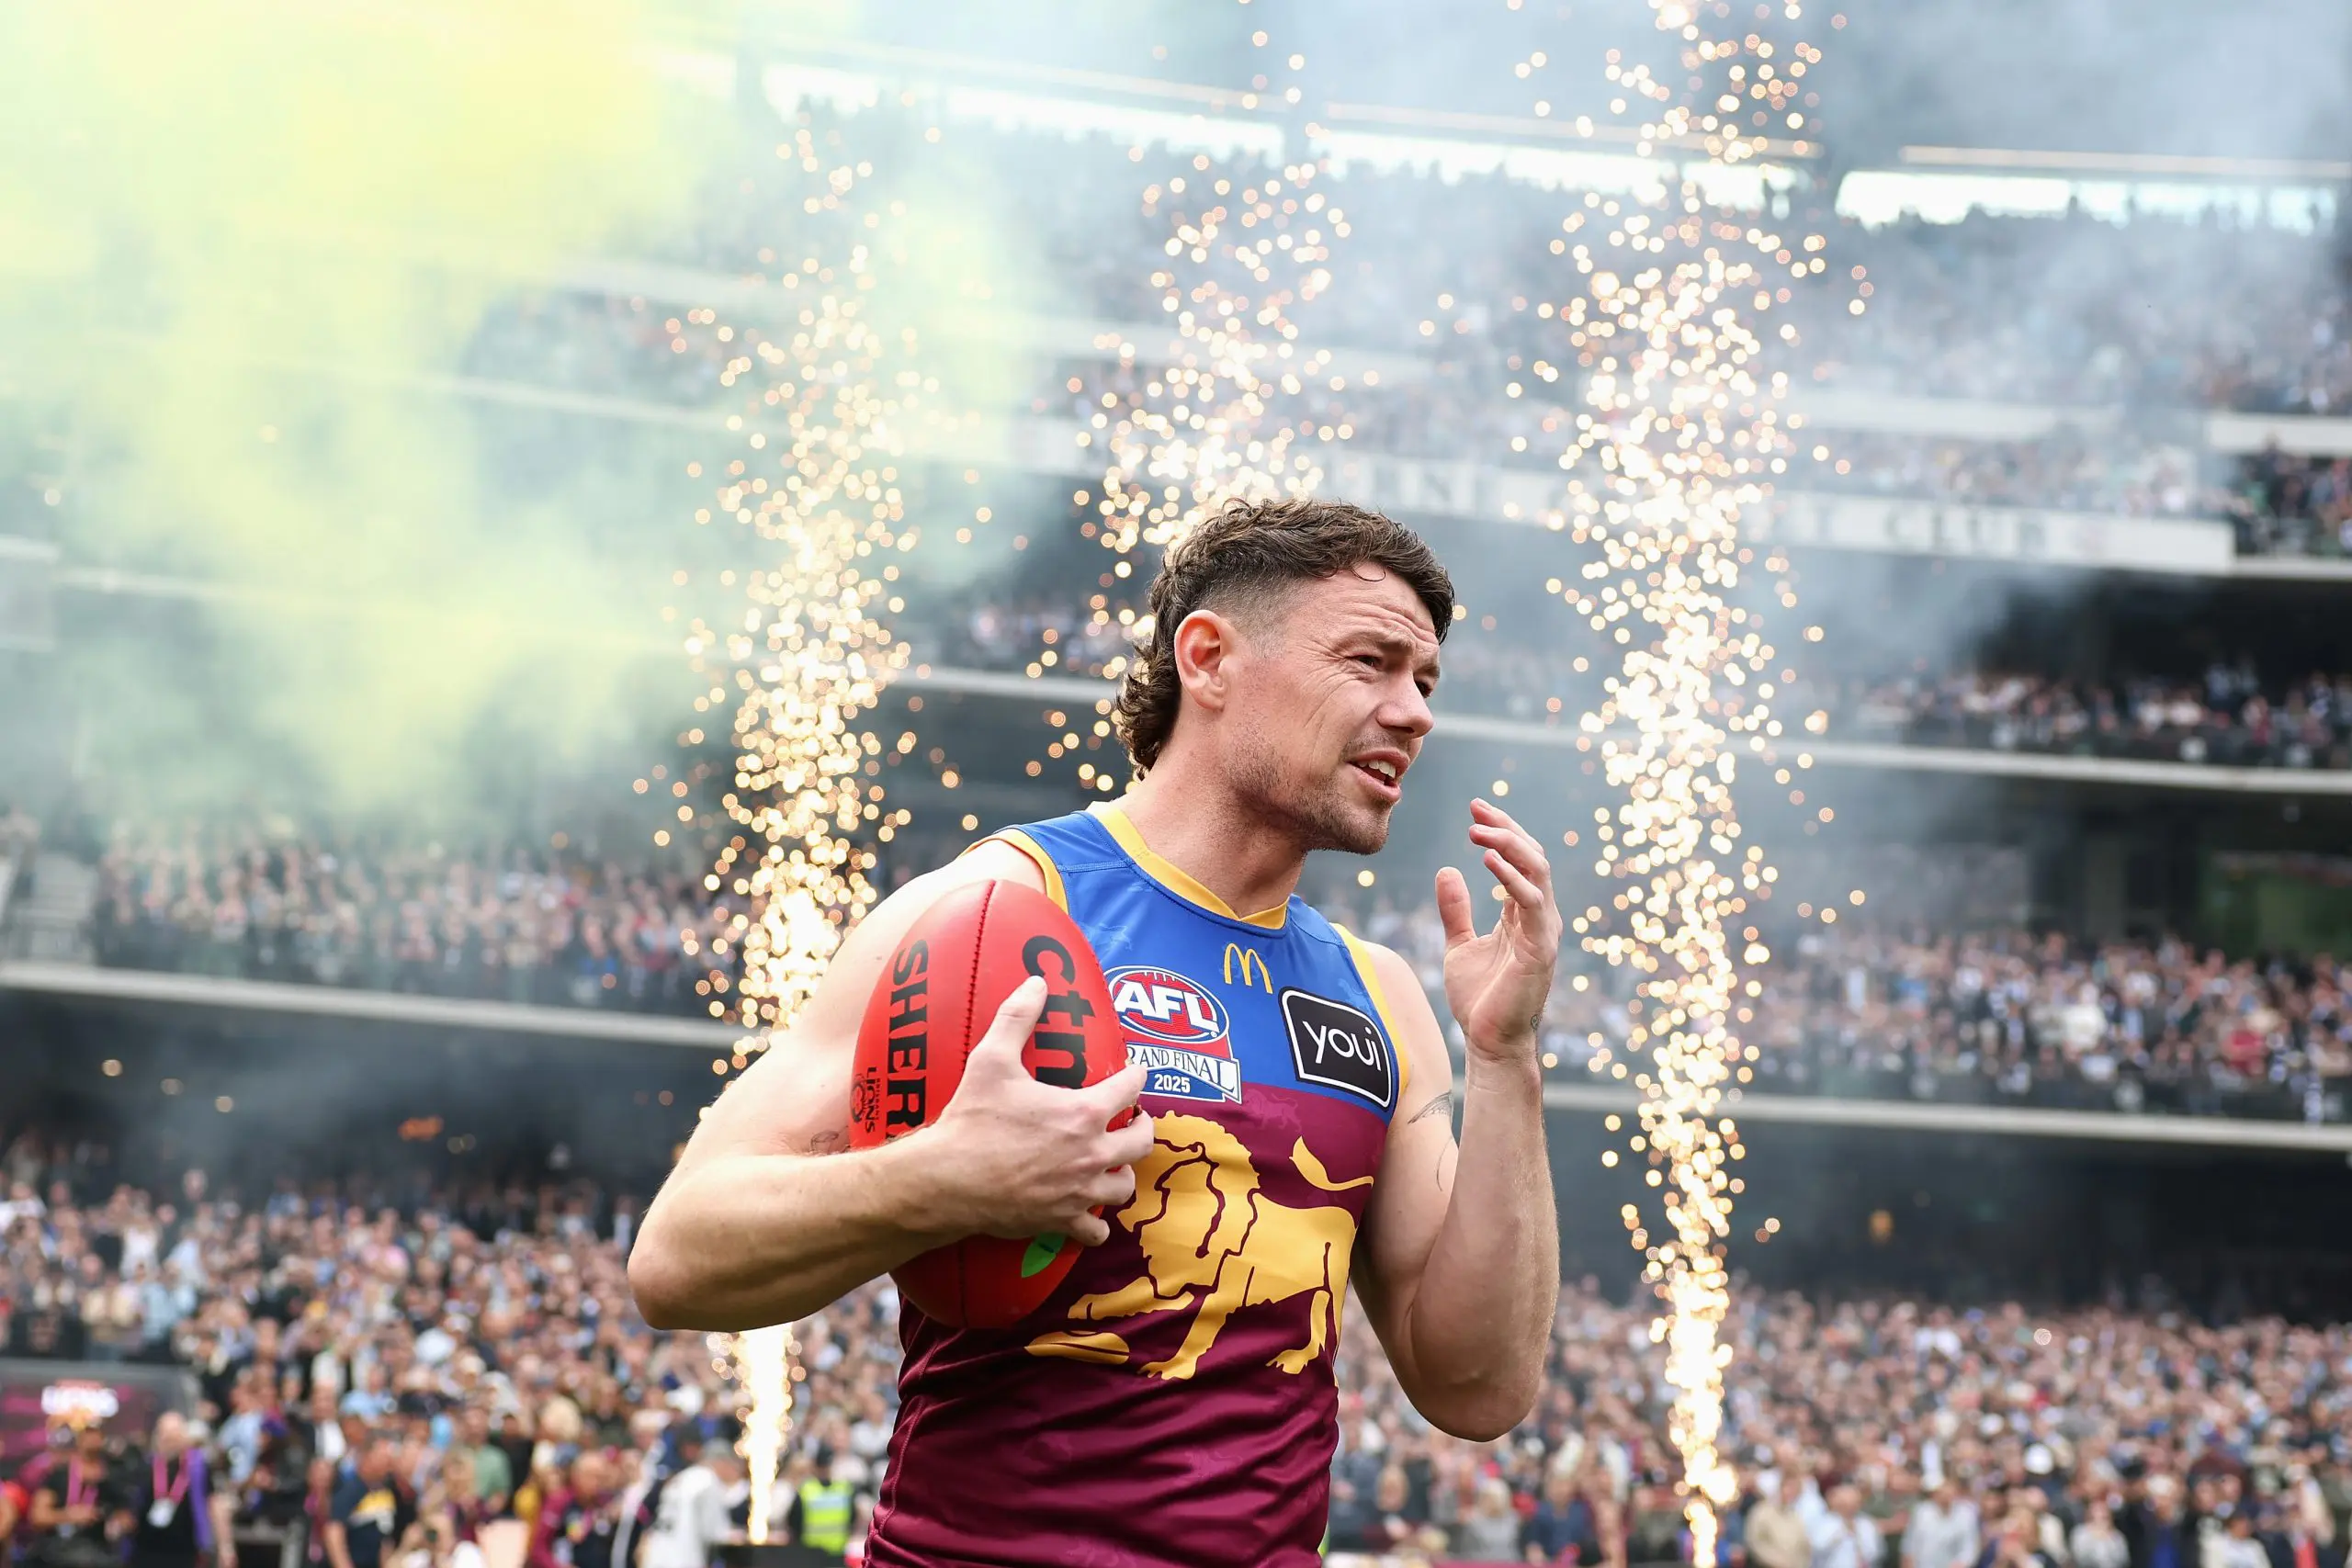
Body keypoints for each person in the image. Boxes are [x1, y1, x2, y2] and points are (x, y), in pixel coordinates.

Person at [631, 495, 1564, 1566]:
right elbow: (678, 1255)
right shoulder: (997, 908)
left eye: (1427, 682)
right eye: (1371, 662)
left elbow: (1478, 1387)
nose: (1415, 713)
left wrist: (1504, 1059)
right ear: (1207, 660)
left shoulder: (1380, 995)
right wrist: (939, 1178)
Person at [636, 1423, 737, 1568]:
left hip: (656, 1556)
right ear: (721, 1462)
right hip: (683, 1559)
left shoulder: (682, 1478)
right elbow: (716, 1533)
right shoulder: (708, 1480)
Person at [127, 1414, 213, 1568]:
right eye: (166, 1436)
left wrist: (220, 1546)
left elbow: (212, 1504)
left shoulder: (197, 1468)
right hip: (146, 1550)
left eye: (175, 1436)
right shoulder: (145, 1467)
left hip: (185, 1551)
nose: (170, 1442)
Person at [325, 1438, 413, 1568]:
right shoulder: (351, 1489)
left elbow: (385, 1537)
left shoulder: (388, 1491)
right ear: (367, 1457)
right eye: (383, 1459)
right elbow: (334, 1532)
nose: (388, 1464)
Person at [1906, 1478, 1983, 1568]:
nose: (1945, 1496)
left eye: (1949, 1493)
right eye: (1941, 1492)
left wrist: (1961, 1563)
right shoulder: (1922, 1512)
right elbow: (1910, 1546)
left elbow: (1970, 1547)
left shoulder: (1966, 1515)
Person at [1811, 1484, 1885, 1568]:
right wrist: (1842, 1530)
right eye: (1845, 1504)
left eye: (1855, 1503)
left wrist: (1857, 1536)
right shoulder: (1825, 1522)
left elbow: (1875, 1552)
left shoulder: (1866, 1523)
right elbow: (1819, 1547)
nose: (1850, 1508)